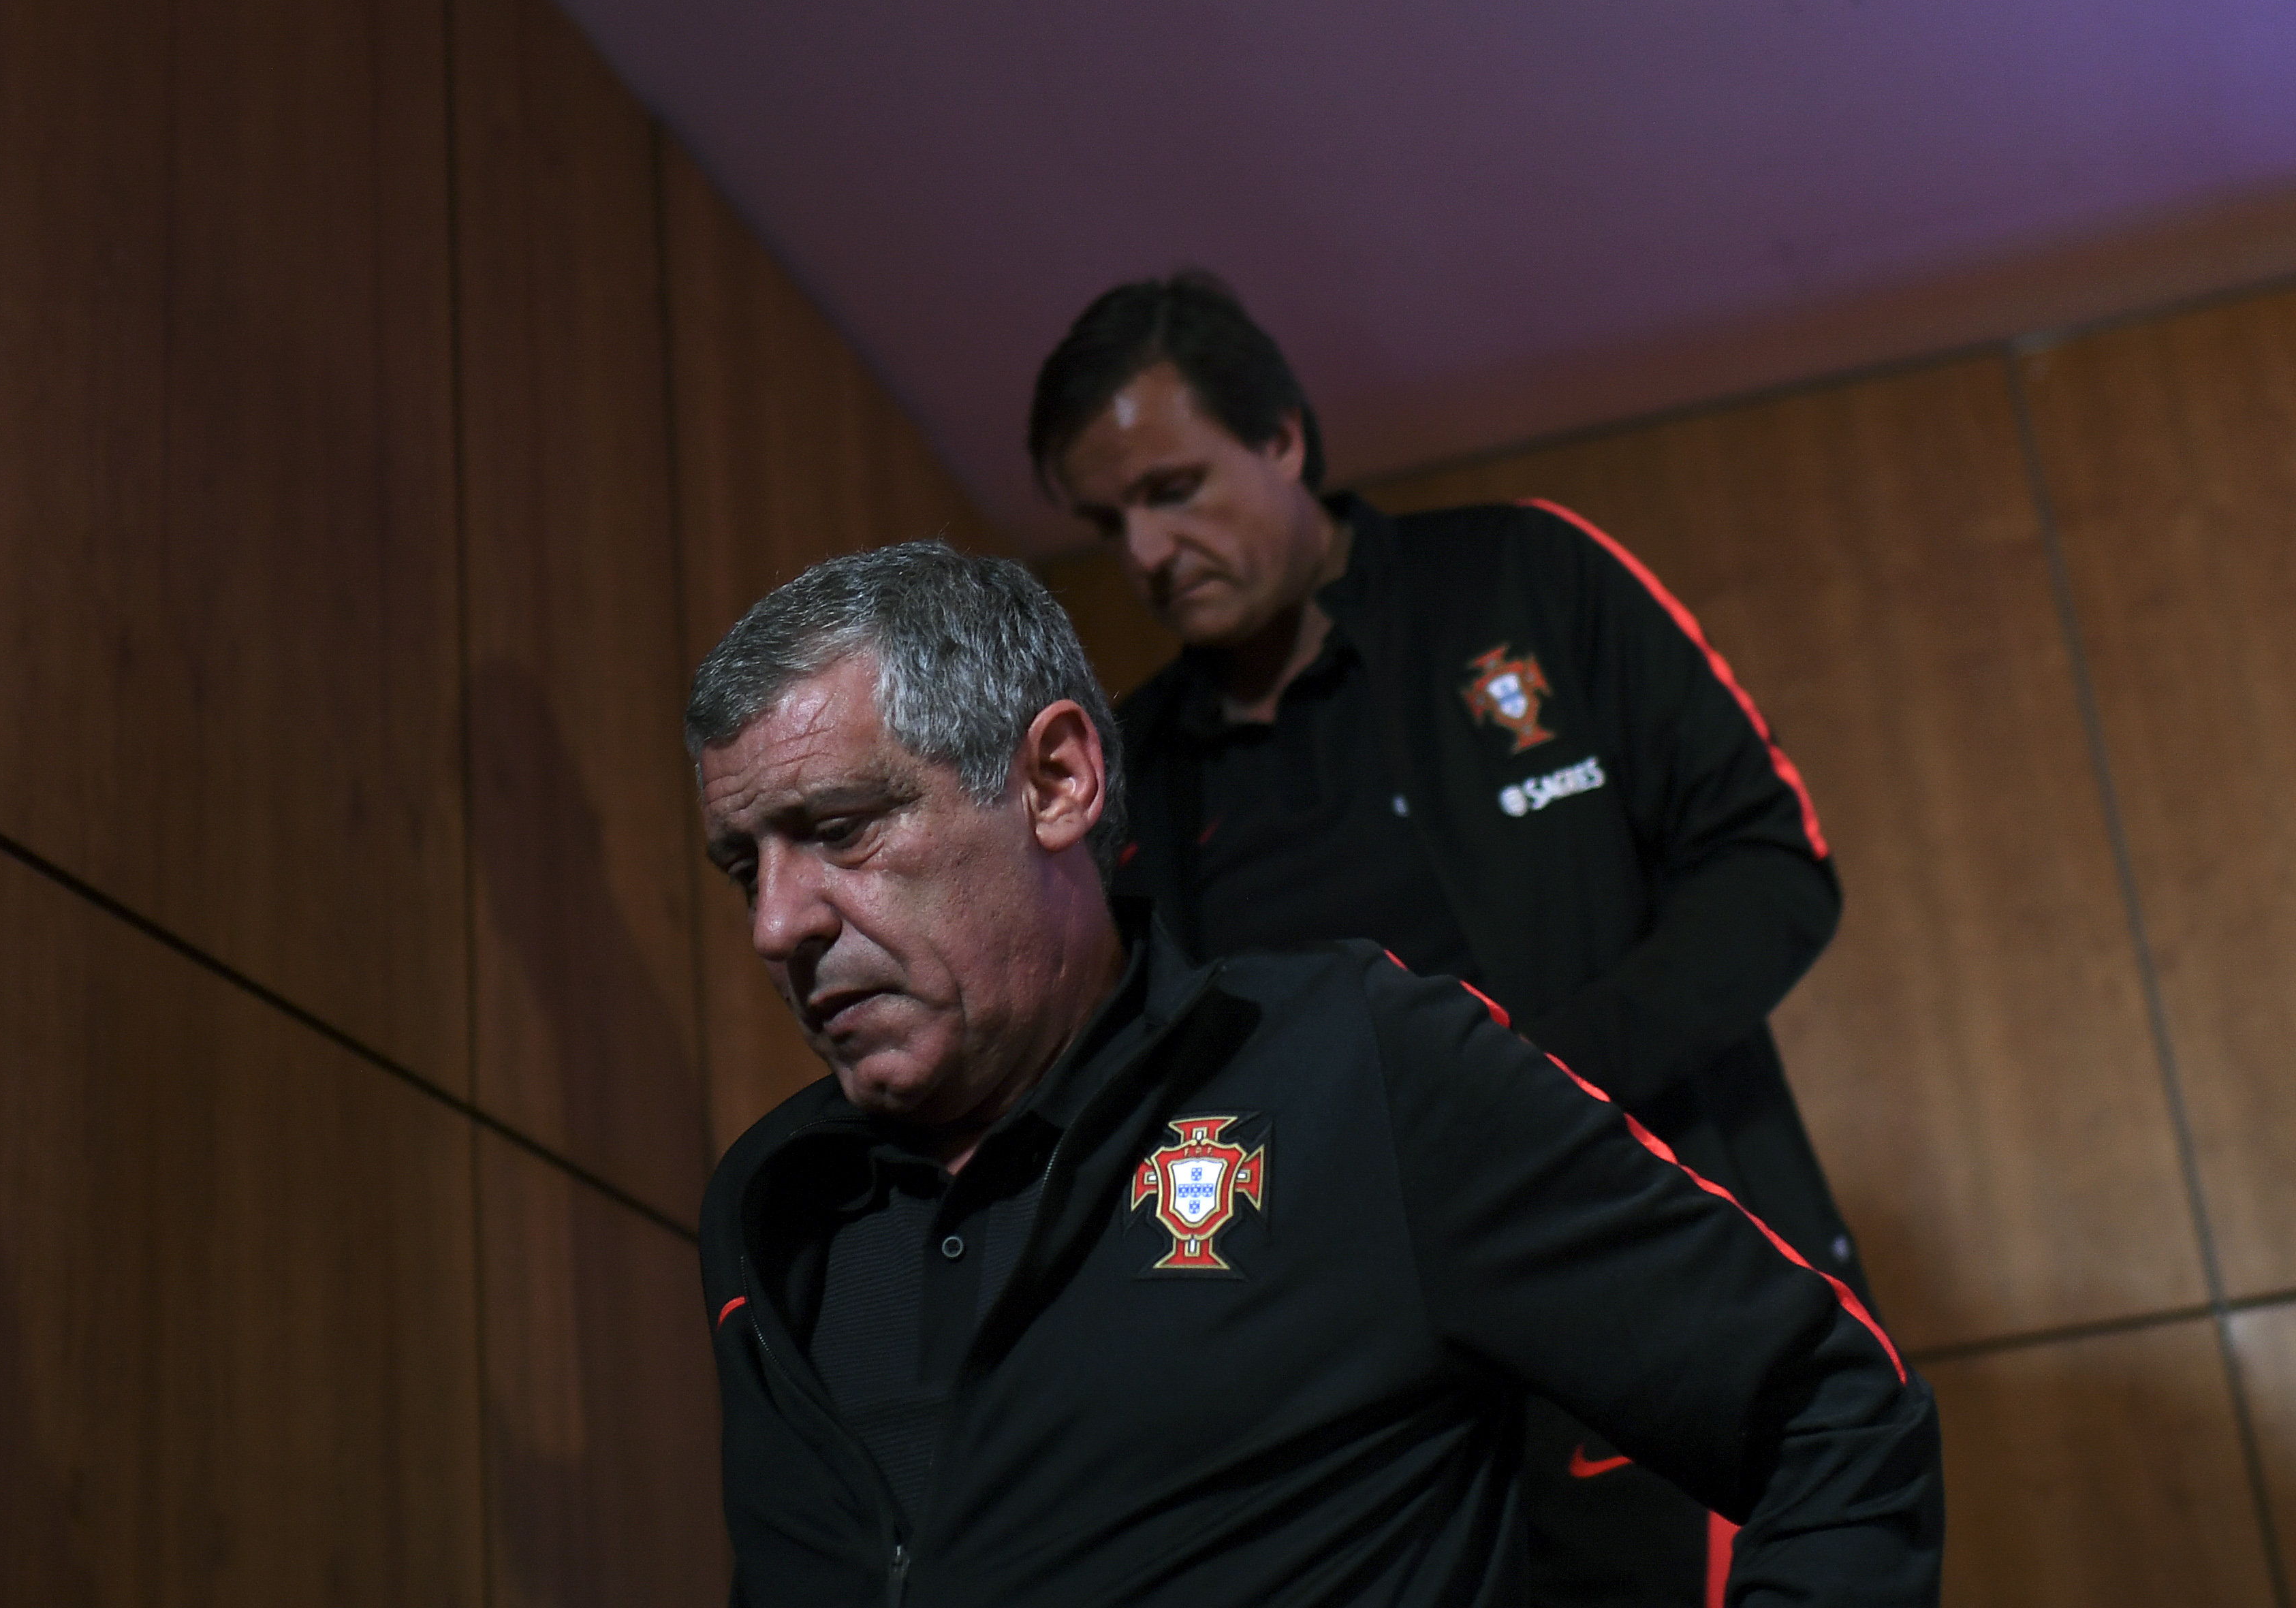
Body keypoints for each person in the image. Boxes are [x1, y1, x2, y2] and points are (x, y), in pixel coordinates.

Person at [686, 541, 1940, 1607]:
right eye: (747, 867)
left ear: (1056, 781)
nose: (779, 924)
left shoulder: (1357, 1068)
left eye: (842, 830)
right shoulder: (773, 1207)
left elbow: (1834, 1417)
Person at [1028, 274, 1868, 1607]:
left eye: (1175, 488)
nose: (1142, 550)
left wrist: (1524, 1089)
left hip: (1649, 1299)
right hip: (1347, 1404)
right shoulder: (1121, 772)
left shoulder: (1526, 576)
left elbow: (1775, 868)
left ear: (1285, 440)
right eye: (1107, 519)